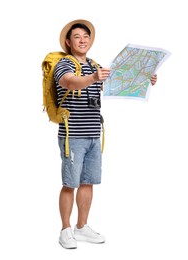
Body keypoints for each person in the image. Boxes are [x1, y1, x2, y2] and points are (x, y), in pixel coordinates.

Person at [54, 19, 157, 249]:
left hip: (94, 133)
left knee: (88, 182)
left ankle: (81, 227)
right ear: (69, 42)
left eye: (86, 36)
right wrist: (92, 78)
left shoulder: (94, 64)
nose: (83, 40)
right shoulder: (64, 64)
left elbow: (115, 85)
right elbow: (69, 82)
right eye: (78, 36)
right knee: (70, 183)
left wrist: (146, 79)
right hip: (73, 134)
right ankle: (65, 230)